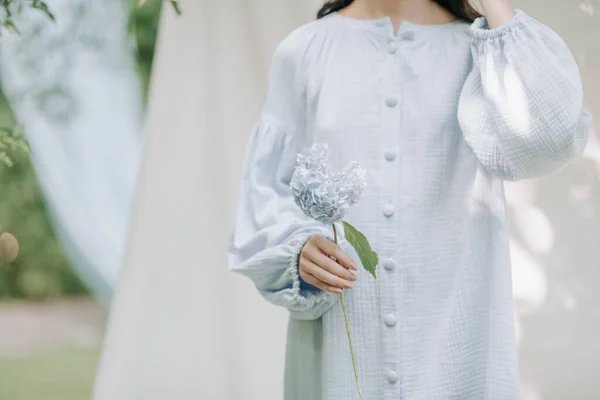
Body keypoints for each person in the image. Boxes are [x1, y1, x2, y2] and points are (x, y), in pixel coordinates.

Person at [226, 0, 591, 398]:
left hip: (457, 348)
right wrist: (295, 248)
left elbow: (549, 134)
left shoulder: (485, 49)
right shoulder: (305, 51)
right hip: (341, 352)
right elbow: (266, 192)